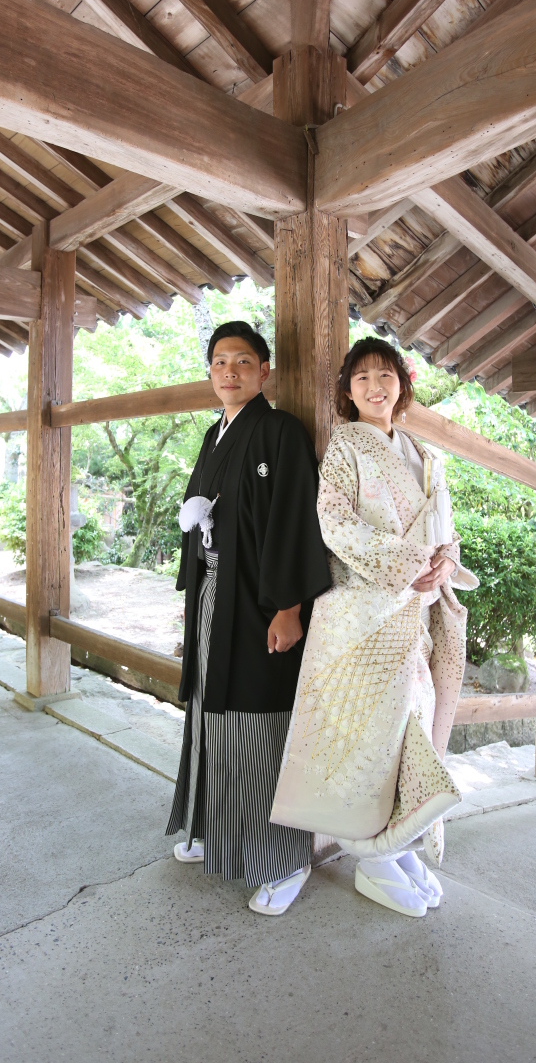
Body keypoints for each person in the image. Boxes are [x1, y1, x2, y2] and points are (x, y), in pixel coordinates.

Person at [272, 338, 478, 918]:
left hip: (413, 611)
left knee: (407, 723)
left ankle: (394, 840)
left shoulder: (422, 453)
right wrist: (411, 565)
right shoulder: (345, 447)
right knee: (364, 735)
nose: (373, 387)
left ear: (401, 386)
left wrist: (440, 562)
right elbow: (334, 524)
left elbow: (443, 528)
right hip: (360, 610)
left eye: (384, 375)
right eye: (360, 378)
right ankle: (369, 852)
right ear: (346, 391)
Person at [167, 321, 331, 916]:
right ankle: (213, 826)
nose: (229, 371)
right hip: (216, 599)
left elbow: (294, 521)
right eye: (218, 362)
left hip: (262, 604)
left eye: (242, 361)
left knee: (260, 727)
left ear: (265, 372)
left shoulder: (281, 432)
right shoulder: (214, 436)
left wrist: (290, 606)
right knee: (210, 715)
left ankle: (283, 860)